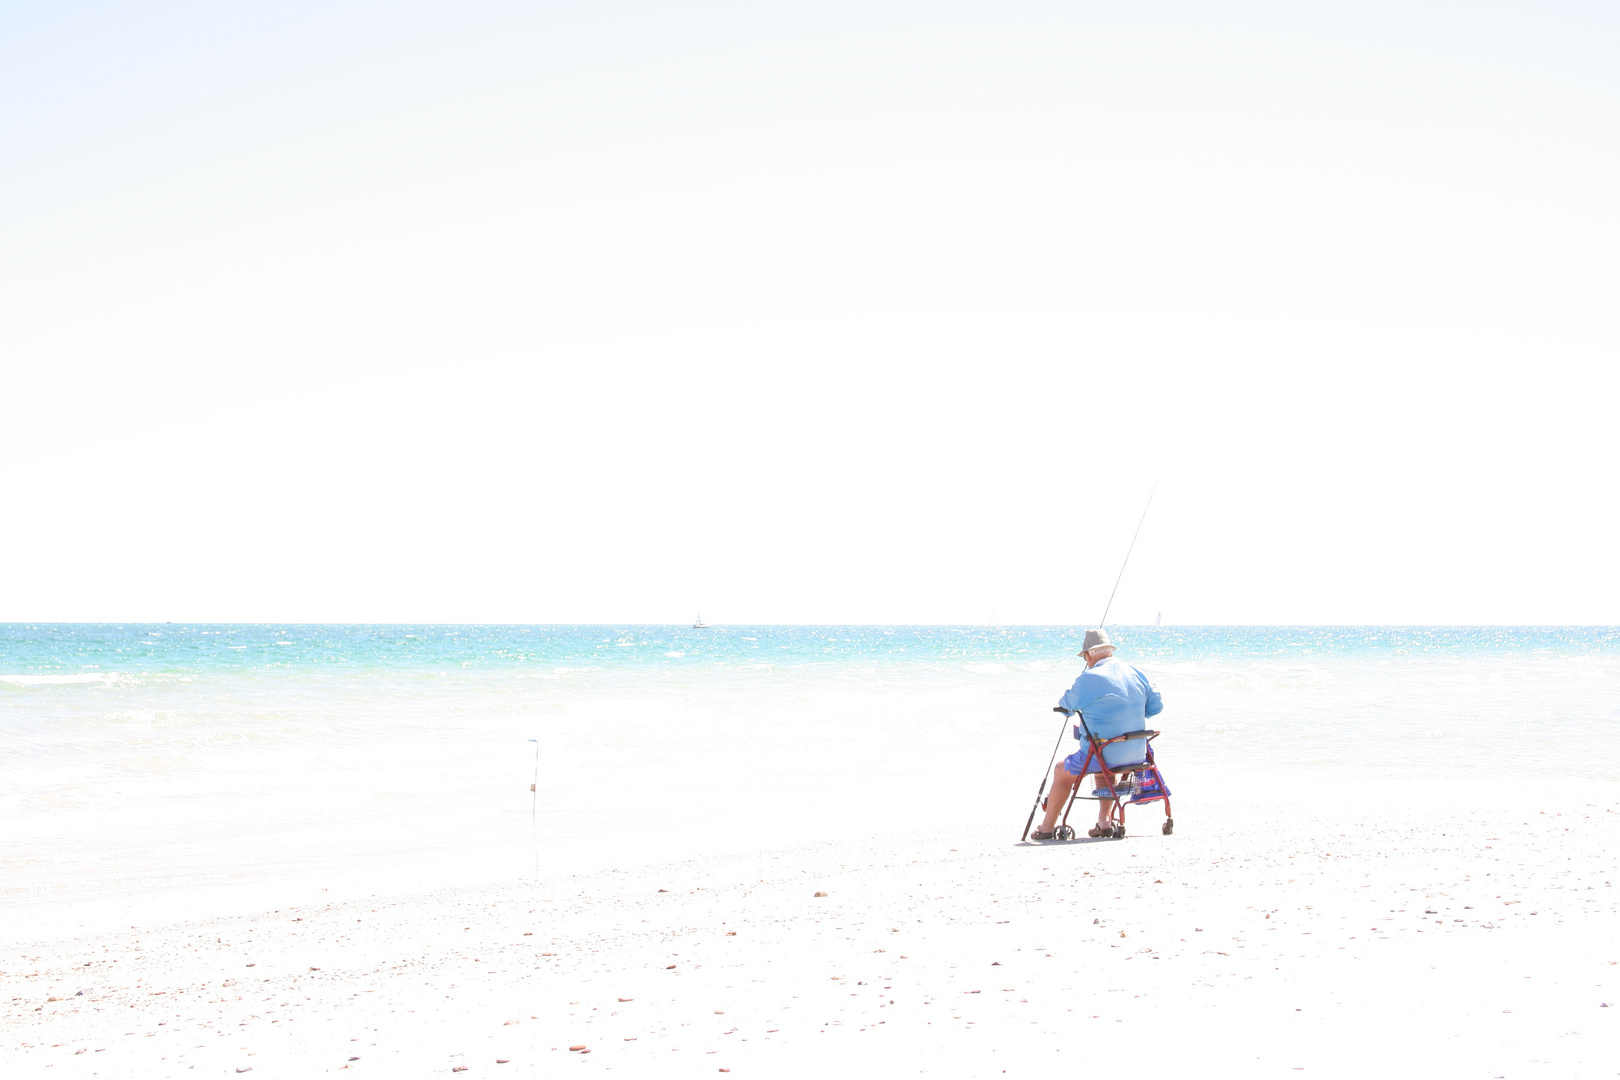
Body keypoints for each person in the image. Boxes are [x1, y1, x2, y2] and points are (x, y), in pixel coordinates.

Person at [1030, 628, 1162, 840]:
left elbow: (1066, 706)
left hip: (1105, 754)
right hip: (1138, 753)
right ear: (1109, 652)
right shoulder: (1136, 672)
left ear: (1088, 655)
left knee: (1062, 770)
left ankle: (1046, 828)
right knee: (1103, 761)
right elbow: (1155, 707)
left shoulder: (1088, 678)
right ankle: (1104, 822)